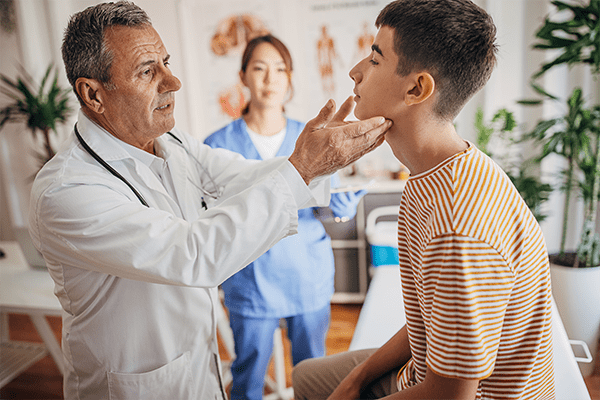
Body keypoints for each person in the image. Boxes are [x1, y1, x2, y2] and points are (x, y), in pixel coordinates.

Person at [27, 2, 391, 400]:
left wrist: (312, 164)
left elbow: (239, 175)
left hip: (197, 370)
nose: (173, 81)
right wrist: (301, 168)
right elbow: (191, 254)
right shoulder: (66, 191)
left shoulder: (172, 142)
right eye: (148, 71)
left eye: (166, 62)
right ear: (93, 93)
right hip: (134, 386)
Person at [292, 1, 554, 399]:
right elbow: (431, 327)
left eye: (375, 59)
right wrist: (358, 377)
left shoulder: (457, 228)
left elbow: (452, 395)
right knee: (310, 376)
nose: (355, 71)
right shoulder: (433, 170)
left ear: (416, 88)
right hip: (424, 371)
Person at [204, 34, 366, 400]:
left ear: (290, 77)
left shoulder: (313, 137)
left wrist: (340, 208)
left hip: (305, 274)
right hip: (249, 280)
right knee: (249, 375)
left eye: (280, 69)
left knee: (312, 374)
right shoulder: (216, 145)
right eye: (259, 69)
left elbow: (328, 200)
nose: (270, 79)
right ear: (243, 75)